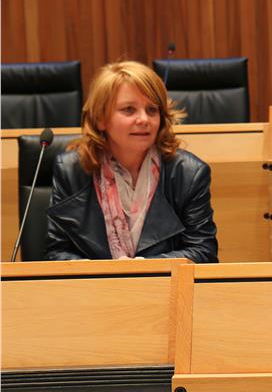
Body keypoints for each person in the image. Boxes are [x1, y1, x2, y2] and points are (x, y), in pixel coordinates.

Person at [46, 61, 219, 262]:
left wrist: (144, 268)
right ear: (101, 118)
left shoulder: (188, 173)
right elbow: (55, 253)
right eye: (129, 109)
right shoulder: (71, 171)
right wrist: (103, 273)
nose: (144, 119)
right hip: (94, 282)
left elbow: (203, 251)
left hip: (162, 282)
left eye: (152, 110)